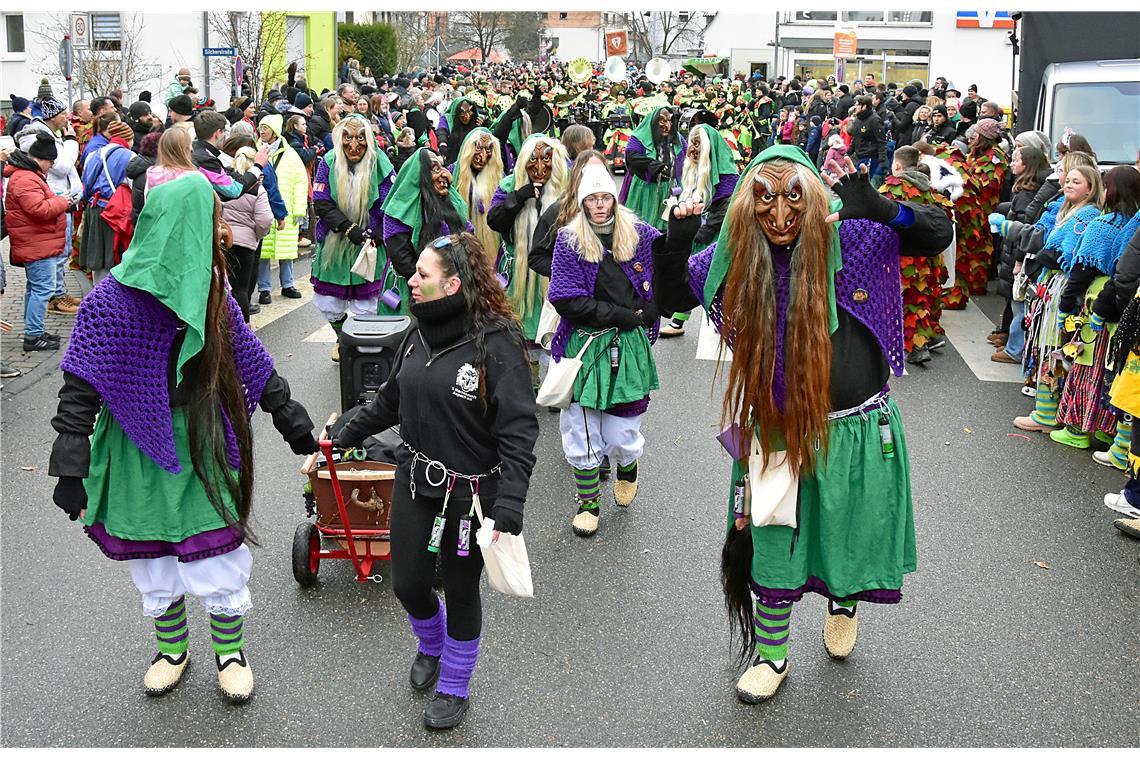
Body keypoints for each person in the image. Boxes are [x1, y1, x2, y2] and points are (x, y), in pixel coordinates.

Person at [653, 146, 953, 704]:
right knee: (771, 540)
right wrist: (681, 237)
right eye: (765, 198)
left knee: (848, 535)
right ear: (748, 203)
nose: (781, 214)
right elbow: (673, 295)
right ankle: (772, 655)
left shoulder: (854, 239)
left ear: (815, 195)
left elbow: (937, 232)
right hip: (775, 431)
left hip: (855, 430)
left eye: (794, 196)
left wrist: (882, 209)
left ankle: (844, 602)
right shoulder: (737, 254)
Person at [48, 169, 318, 704]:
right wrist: (69, 463)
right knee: (154, 556)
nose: (218, 228)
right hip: (136, 443)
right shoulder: (112, 299)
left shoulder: (210, 288)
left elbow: (248, 358)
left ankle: (230, 653)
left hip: (203, 438)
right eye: (209, 218)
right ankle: (172, 650)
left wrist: (289, 416)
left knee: (214, 551)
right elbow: (81, 384)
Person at [331, 232, 538, 730]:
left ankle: (456, 683)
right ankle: (432, 643)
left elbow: (519, 428)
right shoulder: (415, 332)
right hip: (416, 480)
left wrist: (510, 502)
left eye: (423, 274)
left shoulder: (497, 343)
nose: (411, 280)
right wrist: (341, 434)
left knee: (462, 588)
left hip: (471, 498)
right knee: (408, 584)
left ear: (452, 284)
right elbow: (388, 402)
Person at [547, 163, 669, 536]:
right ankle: (587, 503)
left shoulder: (641, 234)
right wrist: (616, 313)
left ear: (614, 199)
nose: (600, 205)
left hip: (628, 345)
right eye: (593, 199)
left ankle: (628, 467)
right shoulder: (569, 241)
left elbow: (668, 268)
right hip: (584, 345)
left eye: (605, 197)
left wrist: (654, 306)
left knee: (621, 434)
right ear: (582, 202)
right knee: (582, 431)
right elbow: (564, 297)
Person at [1049, 168, 1140, 449]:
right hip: (1122, 312)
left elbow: (1081, 271)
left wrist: (1065, 307)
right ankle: (1105, 429)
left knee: (1087, 368)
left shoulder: (1103, 225)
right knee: (1110, 369)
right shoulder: (1132, 224)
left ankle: (1077, 429)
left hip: (1095, 304)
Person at [1013, 160, 1105, 434]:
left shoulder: (1085, 217)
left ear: (1091, 189)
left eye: (1077, 182)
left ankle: (1047, 414)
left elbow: (1066, 255)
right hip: (1052, 286)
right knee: (1047, 347)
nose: (1068, 184)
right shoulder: (1069, 211)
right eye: (1068, 180)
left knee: (1052, 347)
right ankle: (1048, 410)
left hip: (1063, 288)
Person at [310, 114, 396, 361]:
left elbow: (390, 202)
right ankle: (342, 338)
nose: (354, 145)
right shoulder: (328, 162)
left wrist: (378, 234)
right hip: (335, 243)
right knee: (330, 302)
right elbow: (322, 202)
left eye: (361, 138)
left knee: (368, 304)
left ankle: (362, 348)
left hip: (371, 244)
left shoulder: (381, 164)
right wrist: (348, 228)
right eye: (348, 137)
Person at [487, 134, 570, 345]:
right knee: (518, 336)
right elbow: (494, 221)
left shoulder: (567, 186)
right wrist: (519, 196)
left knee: (555, 334)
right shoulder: (509, 185)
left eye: (546, 159)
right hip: (517, 271)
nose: (540, 167)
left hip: (553, 272)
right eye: (533, 160)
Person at [660, 123, 740, 338]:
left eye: (698, 144)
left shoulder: (728, 176)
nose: (693, 149)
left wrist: (703, 232)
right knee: (690, 274)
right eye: (691, 142)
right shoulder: (694, 170)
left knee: (717, 279)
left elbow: (728, 211)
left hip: (719, 237)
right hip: (700, 233)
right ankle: (679, 321)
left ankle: (725, 320)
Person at [879, 146, 955, 365]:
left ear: (897, 165)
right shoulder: (932, 191)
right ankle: (929, 337)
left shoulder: (892, 188)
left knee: (905, 300)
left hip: (903, 255)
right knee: (925, 298)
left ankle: (915, 345)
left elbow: (879, 217)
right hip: (929, 255)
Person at [381, 148, 470, 317]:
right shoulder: (398, 211)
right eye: (436, 169)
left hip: (450, 283)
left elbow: (466, 237)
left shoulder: (452, 203)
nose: (445, 174)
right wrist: (433, 283)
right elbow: (402, 259)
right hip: (413, 285)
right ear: (418, 175)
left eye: (443, 168)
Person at [15, 95, 83, 316]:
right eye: (63, 113)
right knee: (57, 251)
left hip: (61, 200)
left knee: (61, 250)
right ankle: (54, 296)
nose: (67, 117)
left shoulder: (48, 134)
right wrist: (72, 141)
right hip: (56, 200)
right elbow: (63, 166)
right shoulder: (41, 140)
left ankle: (58, 291)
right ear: (51, 116)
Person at [3, 133, 72, 350]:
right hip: (37, 244)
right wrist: (62, 201)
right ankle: (33, 336)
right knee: (42, 290)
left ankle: (35, 331)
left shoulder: (27, 175)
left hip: (38, 242)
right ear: (40, 158)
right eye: (50, 162)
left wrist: (56, 200)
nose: (51, 167)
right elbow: (39, 210)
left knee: (36, 289)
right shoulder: (25, 178)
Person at [941, 118, 1008, 310]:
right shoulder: (975, 154)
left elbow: (984, 186)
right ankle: (969, 286)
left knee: (973, 252)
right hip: (970, 212)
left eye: (975, 134)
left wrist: (963, 173)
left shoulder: (994, 156)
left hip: (981, 214)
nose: (971, 137)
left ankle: (969, 289)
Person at [255, 115, 308, 304]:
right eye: (260, 127)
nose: (262, 131)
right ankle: (264, 288)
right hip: (261, 207)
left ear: (275, 131)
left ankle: (288, 284)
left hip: (286, 207)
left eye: (266, 128)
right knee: (263, 252)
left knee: (287, 250)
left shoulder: (291, 154)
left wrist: (300, 209)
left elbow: (301, 182)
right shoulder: (255, 151)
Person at [221, 140, 274, 322]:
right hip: (245, 244)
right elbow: (266, 220)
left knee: (222, 287)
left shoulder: (225, 184)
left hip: (222, 239)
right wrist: (257, 235)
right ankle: (243, 329)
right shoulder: (256, 189)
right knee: (241, 289)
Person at [79, 119, 137, 285]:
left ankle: (97, 293)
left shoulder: (93, 154)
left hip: (93, 208)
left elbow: (85, 181)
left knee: (98, 258)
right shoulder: (130, 156)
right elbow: (134, 187)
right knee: (114, 257)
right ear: (128, 139)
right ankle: (112, 298)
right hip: (114, 212)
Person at [620, 106, 686, 231]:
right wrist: (653, 165)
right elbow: (632, 156)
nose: (667, 125)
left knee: (668, 227)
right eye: (662, 121)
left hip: (670, 187)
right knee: (641, 226)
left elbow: (687, 155)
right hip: (645, 189)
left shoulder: (677, 138)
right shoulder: (640, 136)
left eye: (670, 121)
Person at [450, 128, 504, 270]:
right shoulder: (451, 175)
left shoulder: (500, 180)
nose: (483, 156)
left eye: (489, 150)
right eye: (478, 148)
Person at [847, 95, 887, 184]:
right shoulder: (858, 119)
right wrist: (848, 152)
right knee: (857, 182)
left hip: (870, 157)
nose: (855, 107)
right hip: (859, 155)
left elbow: (881, 141)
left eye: (857, 105)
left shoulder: (875, 120)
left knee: (865, 184)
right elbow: (856, 137)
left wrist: (882, 160)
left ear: (864, 106)